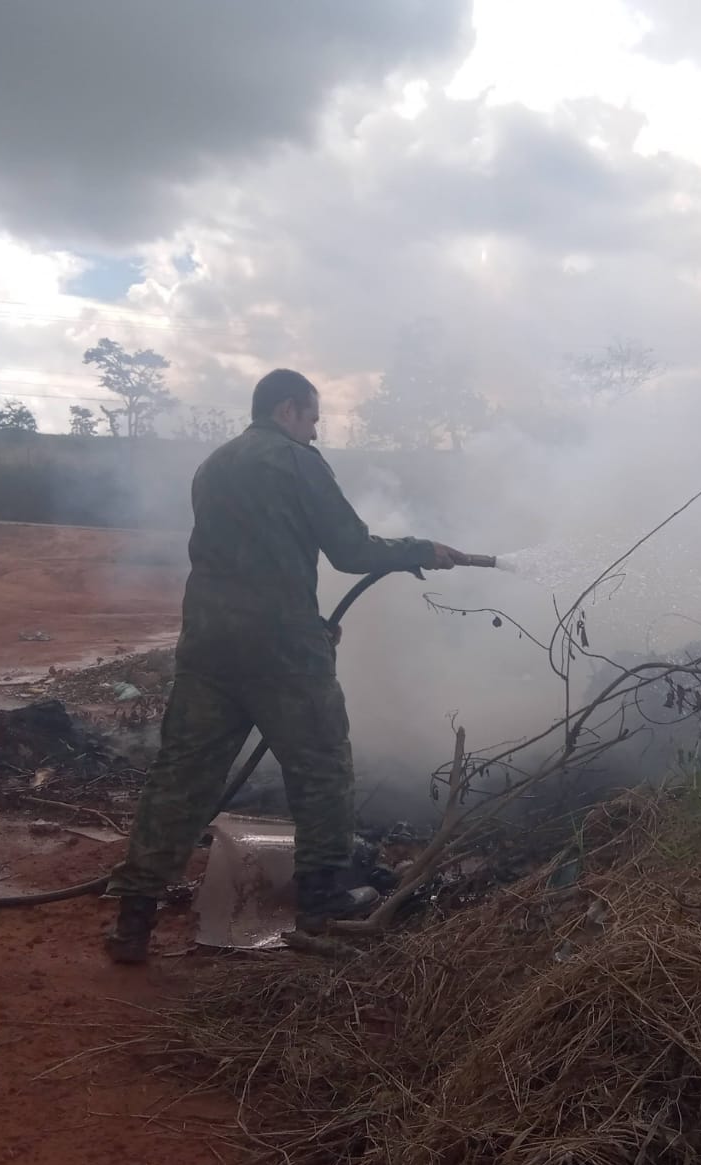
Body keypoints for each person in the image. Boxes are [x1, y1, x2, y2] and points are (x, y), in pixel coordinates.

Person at [103, 368, 466, 963]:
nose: (315, 431)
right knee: (321, 766)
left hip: (208, 645)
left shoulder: (212, 466)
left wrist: (308, 619)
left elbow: (251, 559)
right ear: (287, 409)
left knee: (180, 778)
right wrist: (417, 550)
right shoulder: (297, 461)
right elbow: (351, 549)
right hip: (281, 651)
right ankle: (321, 900)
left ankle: (132, 920)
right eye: (312, 418)